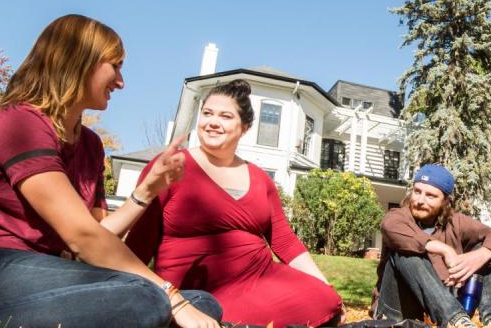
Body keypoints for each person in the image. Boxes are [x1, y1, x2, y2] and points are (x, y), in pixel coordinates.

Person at [0, 14, 222, 328]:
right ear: (80, 60)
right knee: (149, 298)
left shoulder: (91, 146)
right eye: (116, 65)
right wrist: (170, 296)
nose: (121, 82)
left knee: (202, 304)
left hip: (41, 278)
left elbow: (99, 234)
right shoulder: (19, 122)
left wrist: (147, 190)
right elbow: (83, 237)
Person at [126, 79, 342, 327]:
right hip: (197, 291)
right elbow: (137, 246)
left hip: (261, 277)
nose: (213, 122)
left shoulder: (261, 179)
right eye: (207, 113)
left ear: (245, 127)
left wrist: (325, 284)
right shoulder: (169, 167)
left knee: (325, 298)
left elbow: (285, 241)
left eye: (225, 116)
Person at [373, 164, 491, 328]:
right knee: (405, 251)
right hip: (398, 312)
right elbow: (390, 227)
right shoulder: (398, 216)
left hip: (445, 304)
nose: (419, 200)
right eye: (417, 191)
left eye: (430, 196)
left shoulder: (456, 222)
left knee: (487, 249)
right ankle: (455, 321)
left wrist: (480, 255)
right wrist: (445, 250)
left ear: (446, 201)